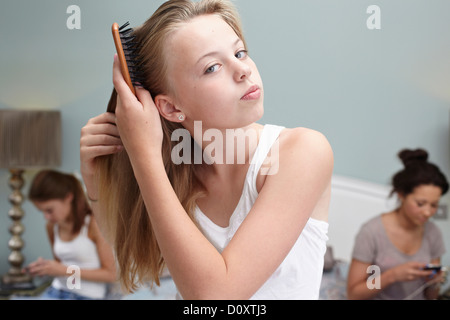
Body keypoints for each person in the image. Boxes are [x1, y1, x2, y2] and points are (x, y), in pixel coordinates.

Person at [80, 0, 333, 300]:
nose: (243, 70)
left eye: (240, 52)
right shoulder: (175, 169)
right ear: (171, 108)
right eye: (212, 67)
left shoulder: (303, 152)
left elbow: (216, 297)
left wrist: (142, 155)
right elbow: (127, 246)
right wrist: (92, 176)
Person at [347, 149, 448, 300]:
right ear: (401, 194)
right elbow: (354, 294)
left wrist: (434, 283)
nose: (428, 212)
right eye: (421, 204)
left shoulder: (433, 233)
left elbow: (431, 296)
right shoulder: (372, 232)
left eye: (434, 205)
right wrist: (392, 276)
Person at [26, 170, 117, 300]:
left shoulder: (93, 225)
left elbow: (111, 274)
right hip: (57, 290)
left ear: (68, 197)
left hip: (87, 296)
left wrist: (63, 270)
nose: (46, 217)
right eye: (42, 211)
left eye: (49, 210)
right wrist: (46, 267)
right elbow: (61, 265)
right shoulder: (52, 227)